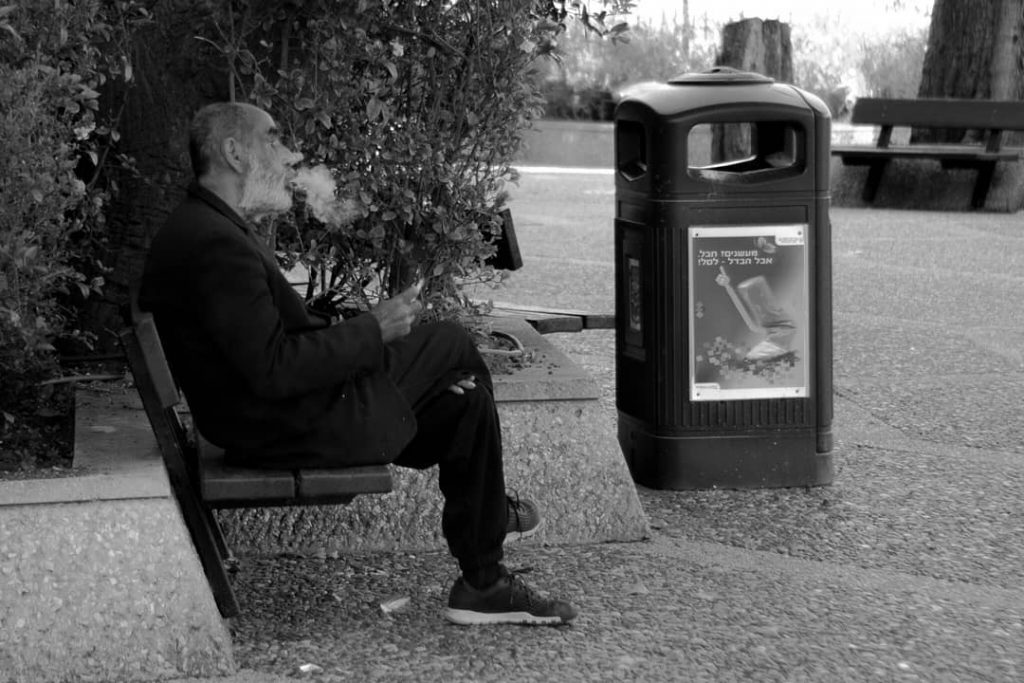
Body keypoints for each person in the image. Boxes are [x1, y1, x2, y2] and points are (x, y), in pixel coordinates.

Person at [138, 101, 577, 626]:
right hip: (283, 427)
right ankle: (491, 517)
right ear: (234, 152)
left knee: (467, 404)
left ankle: (483, 581)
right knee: (449, 341)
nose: (291, 154)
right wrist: (375, 328)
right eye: (274, 139)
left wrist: (364, 331)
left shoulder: (207, 227)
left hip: (275, 416)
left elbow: (270, 347)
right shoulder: (213, 243)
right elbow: (273, 367)